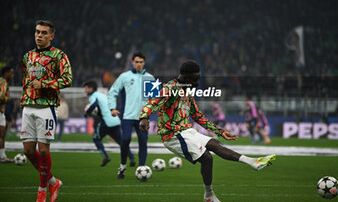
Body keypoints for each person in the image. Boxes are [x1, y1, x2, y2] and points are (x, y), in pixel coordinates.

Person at [139, 60, 276, 202]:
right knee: (207, 157)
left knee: (215, 144)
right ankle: (209, 195)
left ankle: (252, 162)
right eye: (195, 79)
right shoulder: (170, 88)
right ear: (185, 78)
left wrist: (220, 131)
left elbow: (198, 116)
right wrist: (144, 117)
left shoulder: (186, 92)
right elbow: (153, 102)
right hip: (173, 135)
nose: (198, 82)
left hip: (187, 131)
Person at [20, 20, 72, 202]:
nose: (39, 35)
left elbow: (67, 79)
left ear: (51, 36)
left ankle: (42, 190)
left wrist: (45, 84)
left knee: (43, 151)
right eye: (37, 32)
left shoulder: (59, 55)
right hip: (28, 106)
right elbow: (26, 80)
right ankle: (52, 181)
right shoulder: (28, 56)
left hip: (47, 106)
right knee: (27, 151)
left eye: (43, 33)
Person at [108, 51, 155, 179]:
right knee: (125, 139)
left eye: (141, 62)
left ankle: (142, 168)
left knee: (143, 143)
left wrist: (155, 111)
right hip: (127, 116)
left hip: (143, 117)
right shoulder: (124, 77)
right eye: (136, 62)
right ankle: (122, 166)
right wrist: (112, 108)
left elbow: (155, 99)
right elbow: (113, 92)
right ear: (132, 62)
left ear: (144, 63)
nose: (139, 64)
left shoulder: (150, 78)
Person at [83, 80, 135, 167]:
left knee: (96, 139)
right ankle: (132, 157)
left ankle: (105, 157)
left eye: (86, 88)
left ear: (91, 88)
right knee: (121, 141)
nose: (85, 90)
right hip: (115, 121)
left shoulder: (93, 96)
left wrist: (87, 113)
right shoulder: (102, 95)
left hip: (106, 122)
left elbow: (94, 105)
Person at [0, 66, 15, 163]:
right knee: (1, 135)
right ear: (6, 73)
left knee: (2, 134)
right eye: (11, 73)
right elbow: (1, 96)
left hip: (1, 111)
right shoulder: (3, 82)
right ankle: (2, 156)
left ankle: (2, 156)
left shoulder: (3, 82)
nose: (12, 75)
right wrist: (8, 98)